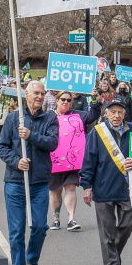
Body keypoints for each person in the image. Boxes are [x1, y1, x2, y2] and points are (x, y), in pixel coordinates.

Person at [0, 81, 59, 265]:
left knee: (40, 226)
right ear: (27, 94)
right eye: (36, 93)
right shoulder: (14, 118)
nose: (39, 97)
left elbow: (52, 143)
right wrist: (16, 161)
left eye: (42, 93)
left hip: (39, 182)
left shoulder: (50, 118)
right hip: (15, 182)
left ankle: (32, 259)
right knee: (16, 230)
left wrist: (31, 135)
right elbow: (2, 146)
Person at [79, 96, 132, 265]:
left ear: (125, 114)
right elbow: (89, 159)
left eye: (120, 112)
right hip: (103, 187)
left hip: (128, 188)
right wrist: (86, 186)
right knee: (107, 231)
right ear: (106, 113)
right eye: (113, 112)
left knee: (127, 225)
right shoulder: (97, 132)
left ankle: (113, 253)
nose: (117, 115)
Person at [49, 92, 85, 232]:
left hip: (72, 161)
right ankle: (56, 218)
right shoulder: (48, 117)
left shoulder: (76, 116)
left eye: (68, 100)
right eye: (62, 99)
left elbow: (93, 115)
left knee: (70, 188)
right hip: (53, 160)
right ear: (56, 101)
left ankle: (71, 219)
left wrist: (95, 99)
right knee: (55, 191)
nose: (65, 102)